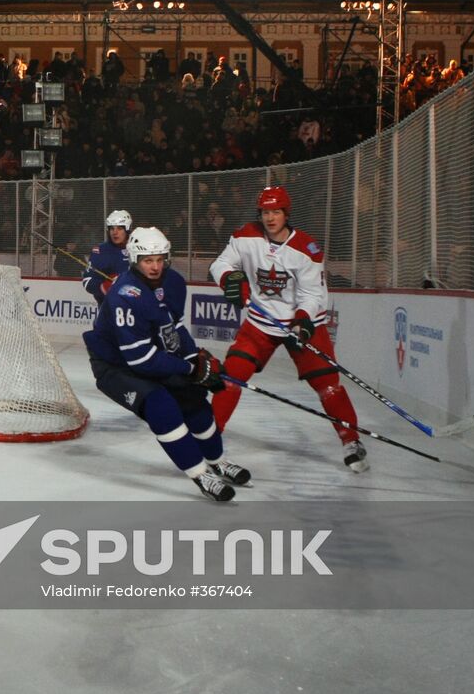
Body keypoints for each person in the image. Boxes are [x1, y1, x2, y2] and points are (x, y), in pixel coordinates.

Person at [82, 227, 250, 502]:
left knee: (194, 399)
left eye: (160, 259)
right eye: (148, 260)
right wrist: (189, 369)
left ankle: (217, 461)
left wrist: (194, 358)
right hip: (115, 365)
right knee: (161, 406)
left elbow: (175, 328)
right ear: (136, 260)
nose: (155, 266)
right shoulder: (124, 294)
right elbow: (139, 359)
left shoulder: (173, 282)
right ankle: (200, 474)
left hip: (151, 354)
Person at [208, 186, 367, 472]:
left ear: (286, 214)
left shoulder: (306, 249)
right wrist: (229, 278)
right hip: (260, 323)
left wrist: (304, 319)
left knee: (328, 386)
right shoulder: (245, 236)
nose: (270, 218)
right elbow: (220, 263)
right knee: (229, 377)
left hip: (302, 325)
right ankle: (208, 438)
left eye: (276, 212)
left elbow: (313, 294)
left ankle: (351, 441)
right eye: (266, 212)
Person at [82, 209, 133, 301]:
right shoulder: (101, 251)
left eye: (119, 228)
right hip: (109, 309)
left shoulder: (138, 249)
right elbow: (87, 281)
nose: (115, 232)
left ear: (127, 229)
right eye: (112, 228)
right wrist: (104, 287)